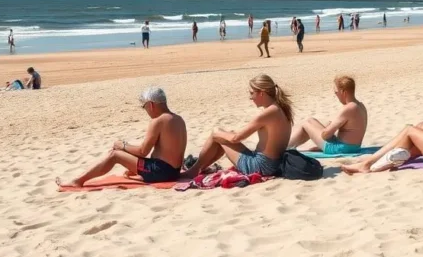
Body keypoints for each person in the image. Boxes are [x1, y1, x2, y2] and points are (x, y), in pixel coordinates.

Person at [57, 87, 187, 187]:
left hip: (161, 173)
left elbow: (143, 151)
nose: (146, 111)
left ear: (151, 105)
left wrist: (122, 145)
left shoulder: (158, 121)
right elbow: (163, 152)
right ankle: (133, 167)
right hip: (174, 171)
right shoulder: (178, 119)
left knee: (115, 155)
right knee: (123, 153)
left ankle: (78, 181)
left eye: (144, 107)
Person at [183, 74, 293, 178]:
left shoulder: (268, 113)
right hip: (274, 164)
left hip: (261, 167)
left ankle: (193, 171)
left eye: (251, 93)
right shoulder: (281, 108)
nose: (251, 97)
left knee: (216, 133)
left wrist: (217, 133)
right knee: (224, 136)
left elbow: (236, 139)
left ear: (261, 93)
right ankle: (199, 168)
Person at [288, 75, 368, 155]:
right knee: (311, 121)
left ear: (343, 92)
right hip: (354, 147)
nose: (336, 95)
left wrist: (321, 133)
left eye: (336, 92)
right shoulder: (360, 106)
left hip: (341, 149)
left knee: (306, 123)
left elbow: (326, 135)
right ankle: (290, 146)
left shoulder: (349, 108)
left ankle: (285, 147)